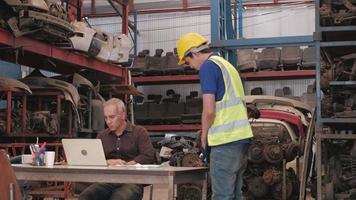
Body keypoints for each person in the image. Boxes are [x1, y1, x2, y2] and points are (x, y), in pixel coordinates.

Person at [176, 33, 254, 200]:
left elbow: (209, 109)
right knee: (235, 195)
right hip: (240, 140)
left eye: (188, 61)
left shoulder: (208, 67)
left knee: (222, 196)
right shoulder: (226, 65)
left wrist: (204, 135)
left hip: (225, 142)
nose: (190, 66)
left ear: (195, 53)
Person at [79, 98, 155, 200]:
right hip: (107, 180)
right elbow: (96, 159)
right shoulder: (102, 135)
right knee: (86, 196)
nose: (108, 121)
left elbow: (148, 156)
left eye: (112, 117)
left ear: (123, 115)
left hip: (132, 180)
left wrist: (126, 165)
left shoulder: (139, 132)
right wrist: (108, 162)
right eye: (105, 118)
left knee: (119, 198)